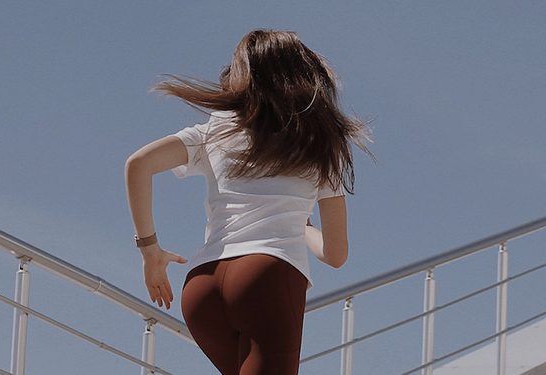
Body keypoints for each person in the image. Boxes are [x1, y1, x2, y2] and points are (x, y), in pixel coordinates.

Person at [124, 29, 371, 375]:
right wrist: (301, 228)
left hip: (202, 286)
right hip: (267, 278)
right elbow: (336, 254)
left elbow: (138, 164)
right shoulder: (321, 141)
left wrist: (150, 252)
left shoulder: (216, 128)